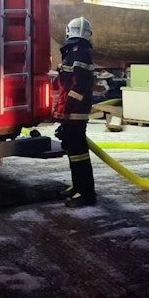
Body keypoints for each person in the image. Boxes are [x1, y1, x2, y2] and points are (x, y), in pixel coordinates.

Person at [54, 16, 96, 207]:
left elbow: (79, 84)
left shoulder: (79, 52)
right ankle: (78, 187)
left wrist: (68, 108)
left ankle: (86, 194)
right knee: (73, 151)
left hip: (75, 112)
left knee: (79, 153)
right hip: (70, 112)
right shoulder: (76, 51)